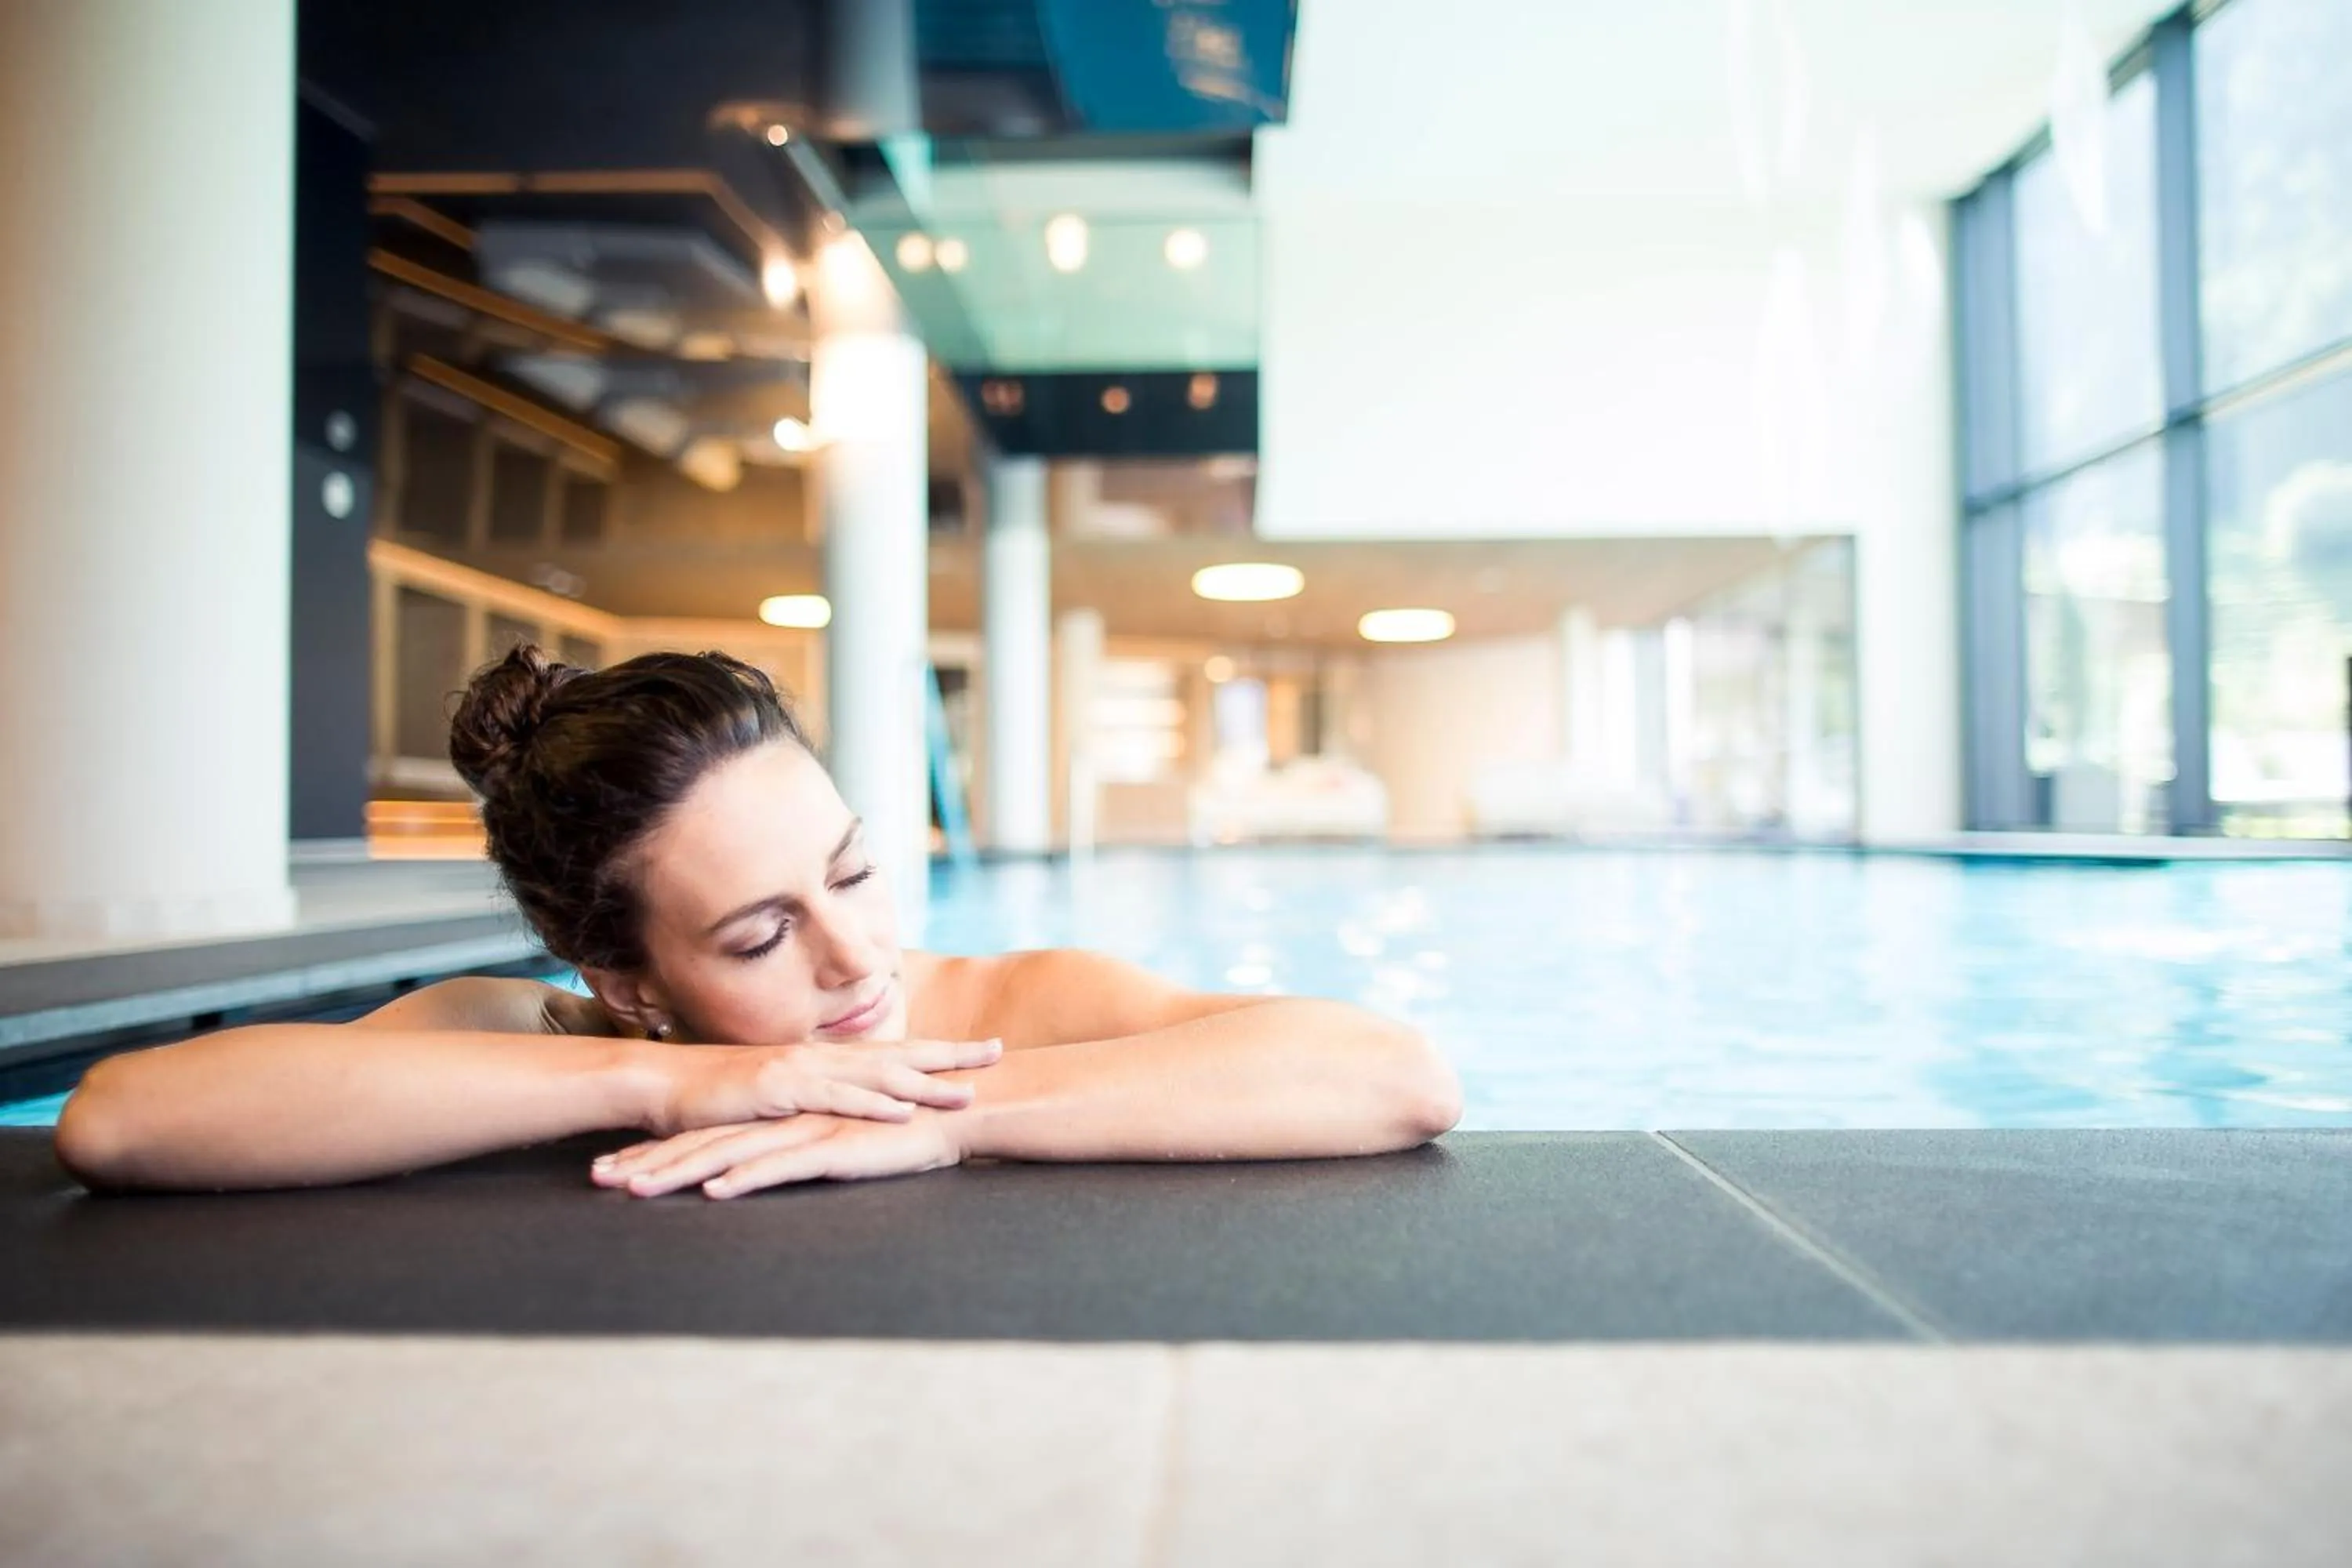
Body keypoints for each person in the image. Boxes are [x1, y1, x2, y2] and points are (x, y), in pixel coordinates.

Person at [55, 648, 1460, 1199]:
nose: (859, 958)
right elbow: (118, 1120)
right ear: (628, 977)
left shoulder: (1008, 1007)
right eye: (757, 937)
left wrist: (946, 1114)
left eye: (852, 876)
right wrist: (669, 1080)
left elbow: (1396, 1075)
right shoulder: (541, 1037)